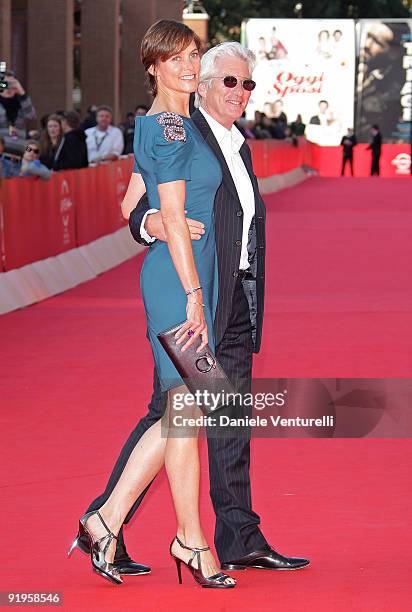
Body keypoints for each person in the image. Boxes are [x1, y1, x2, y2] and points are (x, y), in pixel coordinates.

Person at [76, 40, 309, 577]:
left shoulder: (239, 142)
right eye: (230, 81)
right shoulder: (181, 128)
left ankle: (240, 538)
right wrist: (152, 224)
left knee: (226, 417)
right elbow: (135, 205)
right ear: (202, 83)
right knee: (173, 414)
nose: (241, 92)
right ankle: (106, 523)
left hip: (239, 294)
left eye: (248, 84)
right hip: (194, 291)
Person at [68, 20, 236, 589]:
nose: (190, 67)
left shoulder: (183, 124)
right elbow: (164, 208)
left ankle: (174, 536)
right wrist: (191, 292)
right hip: (179, 283)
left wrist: (150, 225)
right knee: (183, 410)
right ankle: (120, 521)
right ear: (153, 67)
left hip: (195, 276)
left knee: (185, 413)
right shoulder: (167, 126)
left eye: (194, 56)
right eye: (176, 59)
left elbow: (129, 205)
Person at [0, 70, 36, 139]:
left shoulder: (22, 101)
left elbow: (31, 116)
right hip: (2, 144)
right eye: (6, 83)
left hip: (19, 144)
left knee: (32, 147)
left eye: (12, 83)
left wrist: (22, 93)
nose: (9, 86)